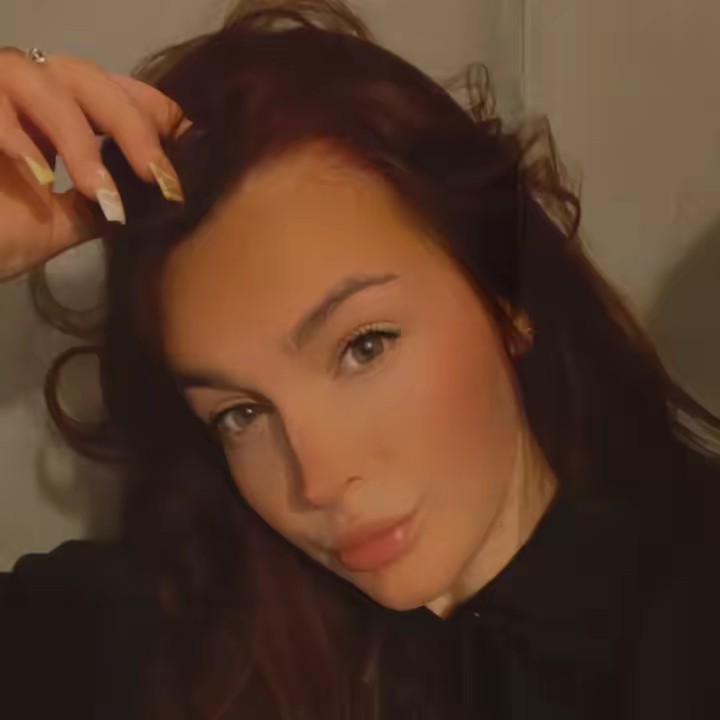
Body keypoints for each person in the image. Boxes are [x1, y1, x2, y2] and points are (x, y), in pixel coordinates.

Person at [1, 1, 719, 718]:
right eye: (241, 413)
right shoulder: (176, 625)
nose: (317, 482)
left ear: (504, 297)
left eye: (363, 347)